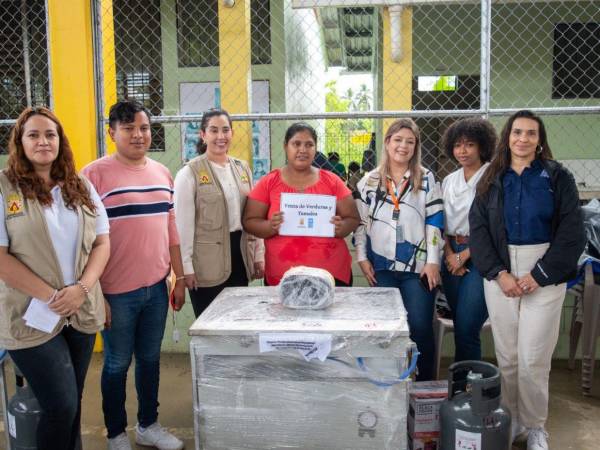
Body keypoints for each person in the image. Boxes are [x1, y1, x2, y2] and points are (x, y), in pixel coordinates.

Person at [470, 110, 585, 450]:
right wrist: (498, 273)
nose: (523, 138)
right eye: (517, 132)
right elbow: (478, 232)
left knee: (533, 357)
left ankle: (535, 426)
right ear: (507, 137)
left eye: (531, 133)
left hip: (544, 271)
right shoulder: (490, 178)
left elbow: (571, 233)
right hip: (501, 271)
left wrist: (539, 275)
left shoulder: (557, 176)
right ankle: (512, 419)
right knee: (507, 356)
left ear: (540, 139)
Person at [0, 107, 110, 450]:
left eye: (50, 134)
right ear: (20, 142)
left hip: (79, 310)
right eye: (33, 135)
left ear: (61, 141)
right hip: (31, 314)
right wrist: (54, 296)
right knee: (60, 405)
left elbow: (103, 242)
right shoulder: (5, 188)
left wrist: (82, 289)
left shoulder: (80, 186)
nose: (43, 141)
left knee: (73, 403)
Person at [82, 100, 186, 450]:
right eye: (128, 129)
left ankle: (148, 425)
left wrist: (179, 278)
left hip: (157, 288)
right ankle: (114, 433)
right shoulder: (92, 175)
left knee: (150, 360)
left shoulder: (162, 172)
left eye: (143, 127)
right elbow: (83, 243)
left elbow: (171, 230)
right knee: (115, 364)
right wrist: (96, 294)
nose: (138, 135)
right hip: (115, 293)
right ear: (112, 133)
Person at [354, 118, 443, 381]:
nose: (403, 146)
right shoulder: (369, 181)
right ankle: (392, 383)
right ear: (387, 142)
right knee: (388, 329)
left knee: (419, 326)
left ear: (416, 147)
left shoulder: (426, 178)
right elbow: (361, 223)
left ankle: (425, 389)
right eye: (398, 140)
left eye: (410, 142)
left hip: (418, 268)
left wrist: (433, 261)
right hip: (381, 266)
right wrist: (361, 257)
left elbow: (435, 220)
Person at [243, 122, 359, 286]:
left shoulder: (332, 181)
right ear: (285, 146)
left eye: (309, 145)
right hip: (283, 275)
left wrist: (342, 228)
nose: (303, 150)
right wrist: (270, 226)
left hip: (330, 275)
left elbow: (353, 218)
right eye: (296, 144)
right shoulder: (269, 182)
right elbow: (249, 221)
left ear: (315, 148)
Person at [174, 109, 264, 317]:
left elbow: (253, 215)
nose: (220, 137)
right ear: (203, 135)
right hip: (205, 262)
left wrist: (258, 255)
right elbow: (182, 226)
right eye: (213, 131)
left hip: (239, 256)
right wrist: (186, 267)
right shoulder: (189, 173)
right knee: (210, 323)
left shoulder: (243, 168)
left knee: (238, 324)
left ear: (232, 133)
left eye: (225, 130)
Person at [440, 117, 497, 362]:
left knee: (467, 326)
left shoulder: (493, 176)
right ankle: (460, 387)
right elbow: (438, 221)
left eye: (469, 145)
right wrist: (450, 254)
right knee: (460, 324)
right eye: (457, 145)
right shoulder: (449, 180)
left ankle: (468, 389)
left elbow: (494, 225)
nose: (462, 151)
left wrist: (465, 255)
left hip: (481, 254)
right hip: (451, 253)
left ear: (482, 146)